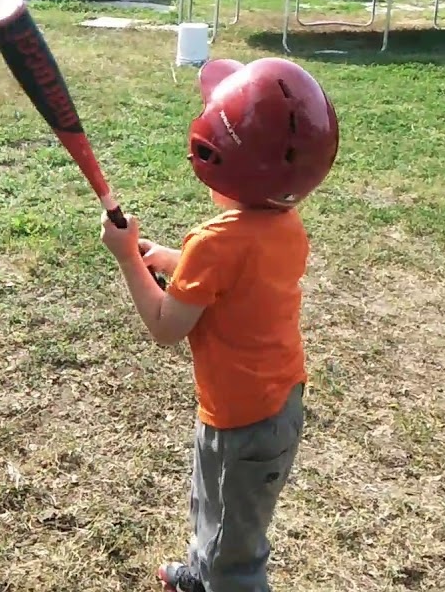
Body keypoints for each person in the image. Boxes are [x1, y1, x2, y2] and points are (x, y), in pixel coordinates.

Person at [98, 57, 340, 592]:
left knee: (238, 551)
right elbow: (232, 282)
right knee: (216, 504)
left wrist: (127, 259)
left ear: (214, 154)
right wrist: (163, 257)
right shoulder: (285, 222)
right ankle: (203, 574)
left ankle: (221, 579)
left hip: (242, 420)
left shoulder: (215, 243)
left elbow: (166, 325)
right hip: (272, 405)